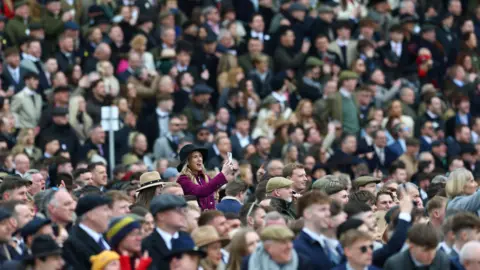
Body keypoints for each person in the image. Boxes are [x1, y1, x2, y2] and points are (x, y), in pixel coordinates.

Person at [176, 144, 235, 210]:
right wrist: (222, 173)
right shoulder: (183, 179)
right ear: (187, 162)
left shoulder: (204, 177)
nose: (200, 159)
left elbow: (212, 190)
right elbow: (201, 191)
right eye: (195, 157)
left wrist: (226, 175)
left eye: (200, 156)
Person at [142, 194, 193, 270]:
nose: (183, 214)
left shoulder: (187, 238)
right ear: (161, 216)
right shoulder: (147, 244)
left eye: (184, 210)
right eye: (178, 210)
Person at [62, 194, 112, 269]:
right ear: (91, 215)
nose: (110, 214)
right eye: (105, 210)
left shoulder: (106, 236)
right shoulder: (72, 242)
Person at [294, 190, 335, 269]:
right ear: (307, 214)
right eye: (322, 209)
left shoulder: (327, 243)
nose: (328, 214)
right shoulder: (299, 249)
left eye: (328, 209)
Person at [241, 225, 312, 270]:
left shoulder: (303, 263)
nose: (290, 246)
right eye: (284, 242)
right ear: (268, 247)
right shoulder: (248, 263)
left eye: (290, 241)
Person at [383, 223, 450, 270]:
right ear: (411, 246)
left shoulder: (442, 259)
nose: (431, 255)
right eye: (426, 250)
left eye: (434, 249)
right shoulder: (394, 265)